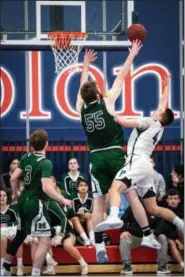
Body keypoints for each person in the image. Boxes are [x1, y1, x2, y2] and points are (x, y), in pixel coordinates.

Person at [76, 41, 143, 263]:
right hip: (115, 154)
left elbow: (81, 87)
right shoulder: (107, 101)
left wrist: (85, 64)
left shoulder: (81, 108)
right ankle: (147, 232)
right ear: (96, 91)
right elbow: (121, 76)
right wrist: (131, 54)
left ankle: (98, 246)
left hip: (96, 158)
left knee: (97, 203)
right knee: (130, 193)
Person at [96, 75, 184, 244]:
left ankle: (113, 216)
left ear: (159, 116)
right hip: (146, 167)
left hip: (136, 161)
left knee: (115, 187)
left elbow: (123, 122)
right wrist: (167, 88)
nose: (156, 109)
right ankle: (176, 226)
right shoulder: (160, 125)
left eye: (158, 111)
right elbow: (163, 107)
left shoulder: (149, 121)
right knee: (153, 208)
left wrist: (109, 111)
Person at [1, 129, 71, 276]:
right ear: (47, 144)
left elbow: (13, 178)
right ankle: (36, 273)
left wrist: (14, 195)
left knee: (20, 234)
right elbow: (46, 187)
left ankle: (5, 268)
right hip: (36, 204)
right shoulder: (46, 163)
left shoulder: (26, 157)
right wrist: (62, 199)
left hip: (22, 202)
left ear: (32, 145)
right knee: (44, 240)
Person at [120, 205, 170, 274]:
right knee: (124, 239)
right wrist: (124, 230)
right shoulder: (132, 206)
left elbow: (161, 224)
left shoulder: (155, 208)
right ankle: (127, 266)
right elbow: (123, 219)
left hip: (152, 237)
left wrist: (154, 234)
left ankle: (162, 265)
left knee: (162, 237)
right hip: (136, 236)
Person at [154, 189, 184, 271]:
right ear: (167, 200)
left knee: (182, 222)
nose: (173, 201)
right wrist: (178, 241)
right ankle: (183, 266)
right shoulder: (165, 211)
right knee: (171, 242)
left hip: (180, 236)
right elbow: (166, 229)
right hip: (169, 235)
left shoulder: (182, 210)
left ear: (179, 200)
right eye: (170, 198)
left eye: (175, 198)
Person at [0, 190, 24, 276]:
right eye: (0, 196)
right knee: (2, 239)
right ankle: (2, 267)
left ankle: (20, 266)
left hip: (12, 230)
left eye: (4, 195)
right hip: (1, 233)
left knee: (19, 239)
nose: (2, 198)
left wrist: (7, 224)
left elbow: (18, 222)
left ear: (7, 197)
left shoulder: (12, 209)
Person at [69, 180, 94, 246]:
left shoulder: (92, 196)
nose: (83, 187)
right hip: (77, 219)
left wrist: (89, 213)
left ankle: (92, 239)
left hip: (88, 219)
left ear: (88, 187)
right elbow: (71, 212)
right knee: (74, 218)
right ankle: (86, 239)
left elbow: (95, 210)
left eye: (85, 185)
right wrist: (81, 214)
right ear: (77, 188)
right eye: (81, 185)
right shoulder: (72, 196)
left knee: (90, 217)